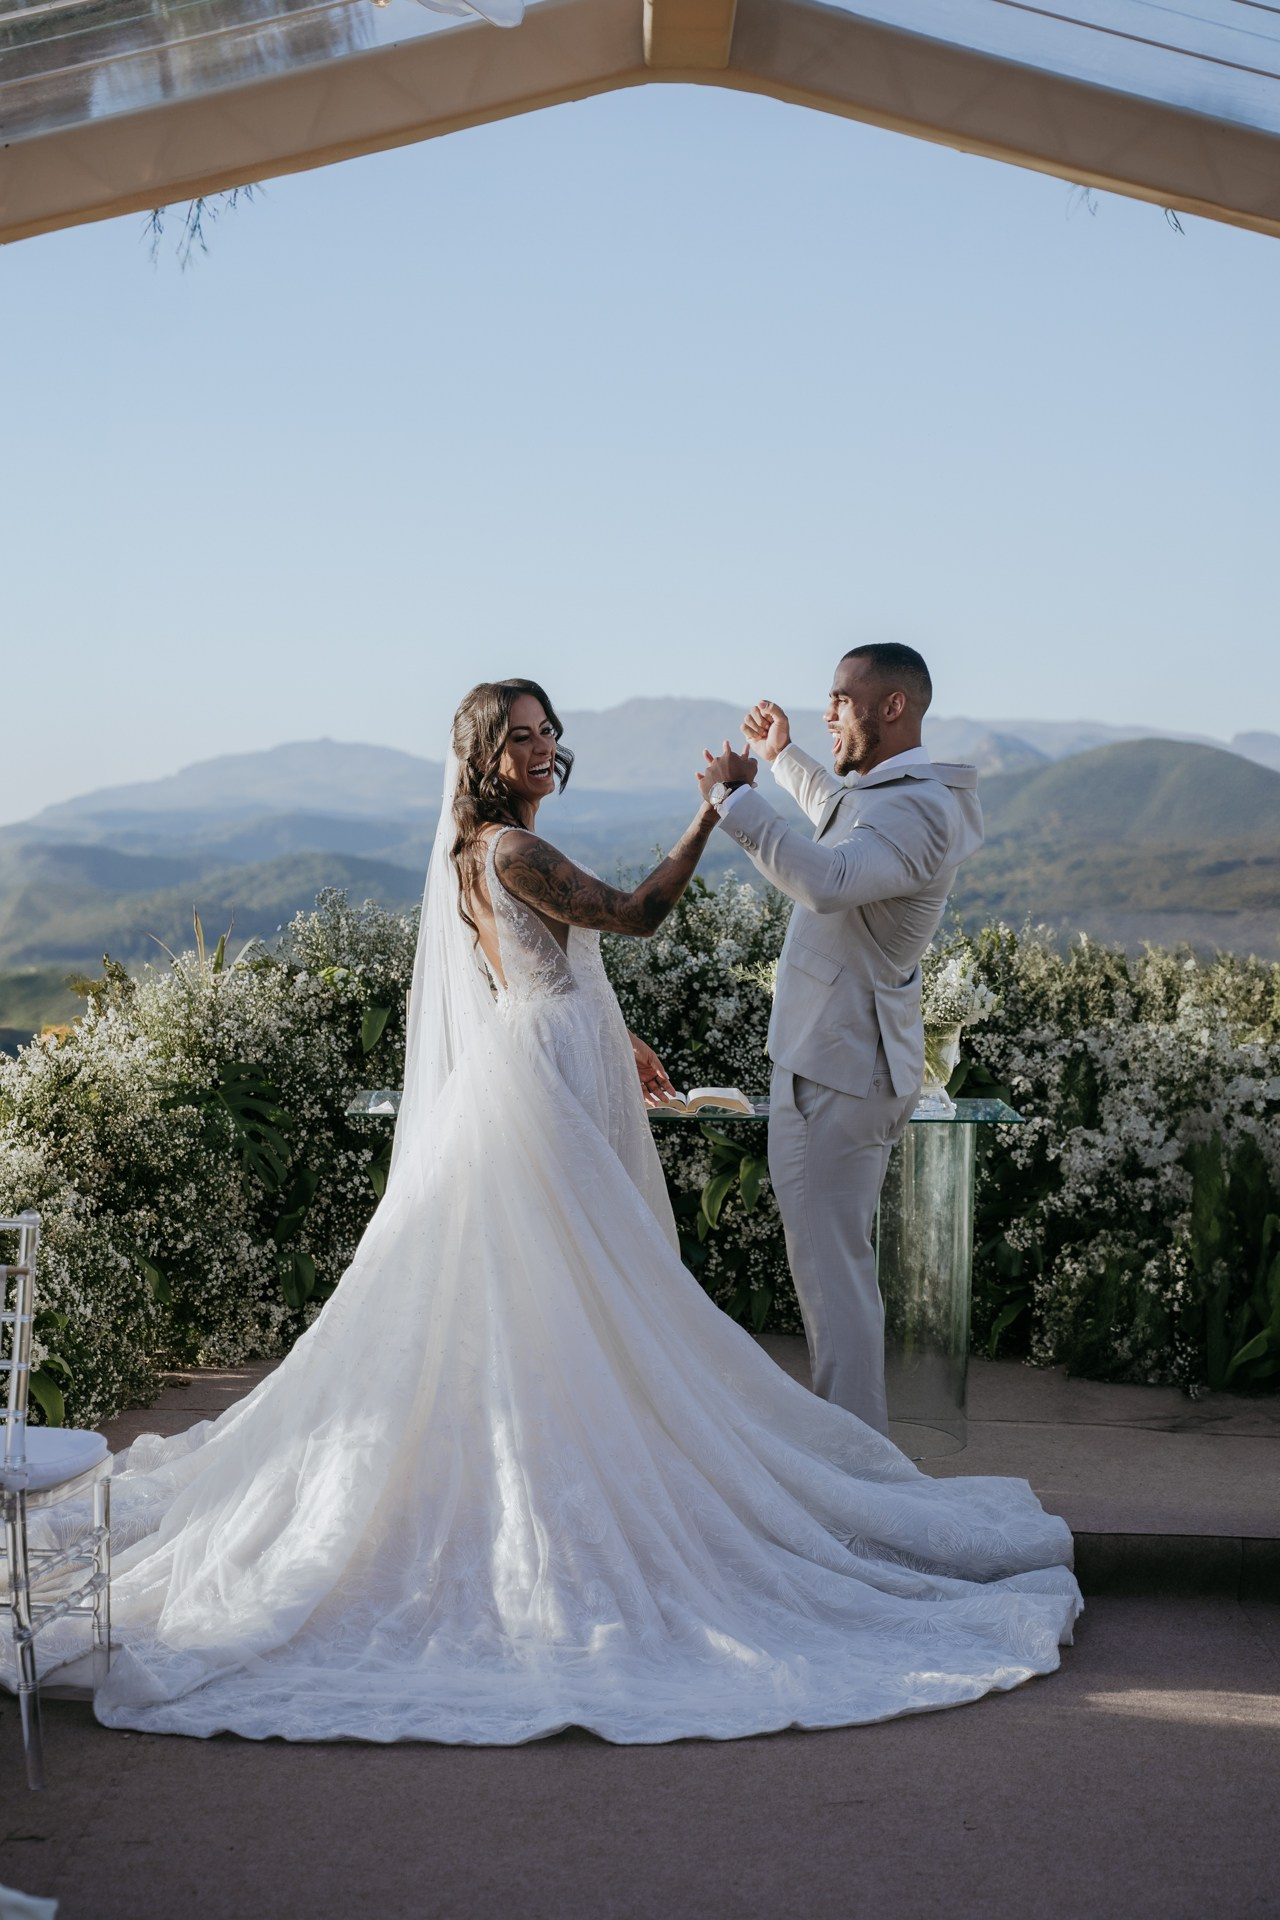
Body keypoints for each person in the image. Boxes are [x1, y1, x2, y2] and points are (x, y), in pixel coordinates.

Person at [27, 676, 1077, 1746]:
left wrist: (605, 1028)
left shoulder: (479, 848)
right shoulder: (513, 851)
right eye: (518, 737)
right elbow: (636, 915)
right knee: (575, 1276)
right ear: (483, 754)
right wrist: (714, 807)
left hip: (559, 1052)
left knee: (567, 1278)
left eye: (546, 733)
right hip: (541, 1083)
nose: (539, 749)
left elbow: (521, 967)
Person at [698, 644, 983, 1436]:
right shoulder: (892, 796)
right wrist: (782, 757)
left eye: (840, 698)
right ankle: (851, 1463)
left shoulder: (919, 808)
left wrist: (733, 799)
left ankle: (856, 1475)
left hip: (842, 1072)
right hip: (837, 1063)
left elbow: (825, 880)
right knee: (830, 1273)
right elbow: (840, 814)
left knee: (835, 1281)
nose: (828, 712)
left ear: (892, 707)